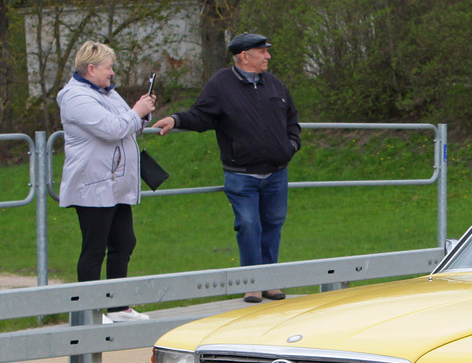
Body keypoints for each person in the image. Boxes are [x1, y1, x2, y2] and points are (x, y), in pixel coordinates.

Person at [152, 33, 300, 302]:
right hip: (241, 175)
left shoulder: (275, 85)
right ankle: (253, 282)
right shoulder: (221, 84)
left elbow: (292, 118)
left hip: (277, 172)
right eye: (262, 51)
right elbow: (202, 115)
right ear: (245, 56)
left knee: (273, 224)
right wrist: (176, 119)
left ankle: (270, 279)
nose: (268, 56)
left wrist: (292, 144)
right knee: (248, 224)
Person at [57, 41, 157, 323]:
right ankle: (89, 311)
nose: (112, 73)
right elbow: (112, 129)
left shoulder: (108, 94)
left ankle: (118, 306)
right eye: (108, 67)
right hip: (92, 186)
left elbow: (129, 123)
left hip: (116, 185)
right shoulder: (75, 97)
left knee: (124, 242)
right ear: (91, 68)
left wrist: (143, 112)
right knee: (94, 249)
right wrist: (136, 111)